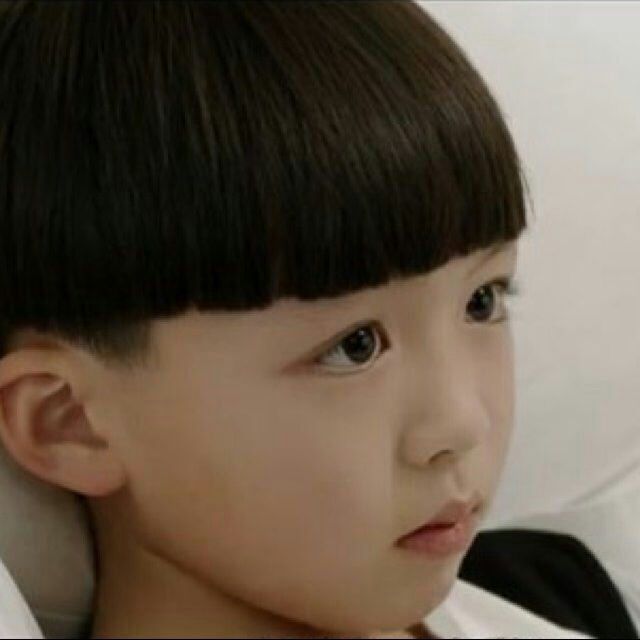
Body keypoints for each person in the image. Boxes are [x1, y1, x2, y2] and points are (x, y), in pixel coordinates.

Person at [0, 2, 590, 638]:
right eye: (354, 346)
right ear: (70, 422)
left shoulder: (570, 586)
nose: (462, 423)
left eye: (483, 301)